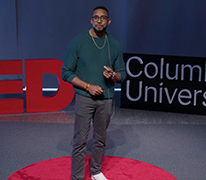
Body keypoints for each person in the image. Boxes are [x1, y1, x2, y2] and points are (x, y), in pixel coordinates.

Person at [61, 6, 126, 180]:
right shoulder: (78, 42)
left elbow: (122, 75)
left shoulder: (114, 45)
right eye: (95, 17)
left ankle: (96, 171)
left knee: (100, 139)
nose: (99, 20)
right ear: (91, 20)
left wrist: (113, 75)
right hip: (84, 98)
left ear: (108, 21)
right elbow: (66, 72)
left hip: (105, 100)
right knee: (80, 141)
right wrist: (87, 86)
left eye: (103, 17)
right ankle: (77, 177)